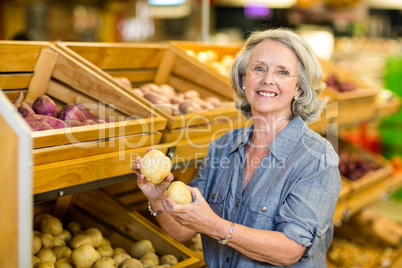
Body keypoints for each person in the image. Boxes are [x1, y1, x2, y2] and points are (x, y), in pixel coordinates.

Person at [131, 28, 341, 267]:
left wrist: (214, 225)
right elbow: (182, 232)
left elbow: (290, 250)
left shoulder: (316, 158)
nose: (268, 79)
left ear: (299, 89)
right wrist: (158, 198)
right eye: (259, 68)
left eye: (282, 72)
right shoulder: (222, 148)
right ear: (243, 79)